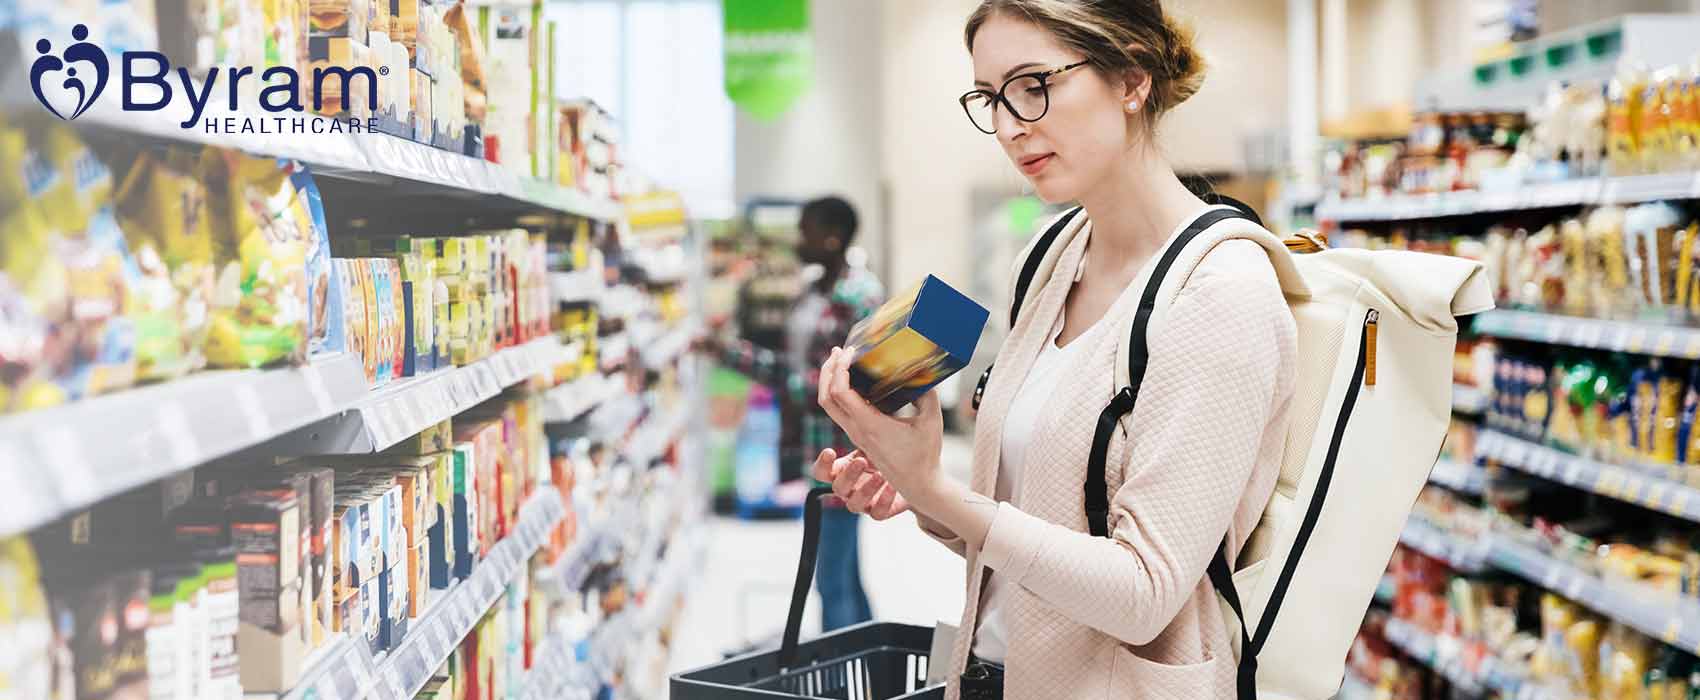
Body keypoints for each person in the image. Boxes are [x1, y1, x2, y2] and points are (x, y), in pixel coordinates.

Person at [811, 2, 1298, 698]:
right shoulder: (1049, 257)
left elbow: (1143, 593)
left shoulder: (1220, 295)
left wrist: (936, 488)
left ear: (1131, 80)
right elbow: (1028, 529)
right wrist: (917, 488)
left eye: (1034, 85)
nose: (1010, 127)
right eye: (990, 98)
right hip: (990, 676)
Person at [719, 196, 885, 632]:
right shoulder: (815, 291)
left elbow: (858, 382)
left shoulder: (860, 296)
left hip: (846, 452)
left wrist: (792, 384)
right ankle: (869, 663)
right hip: (817, 448)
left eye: (806, 230)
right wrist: (729, 354)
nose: (798, 240)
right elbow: (792, 370)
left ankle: (843, 676)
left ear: (832, 236)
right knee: (843, 572)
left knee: (831, 579)